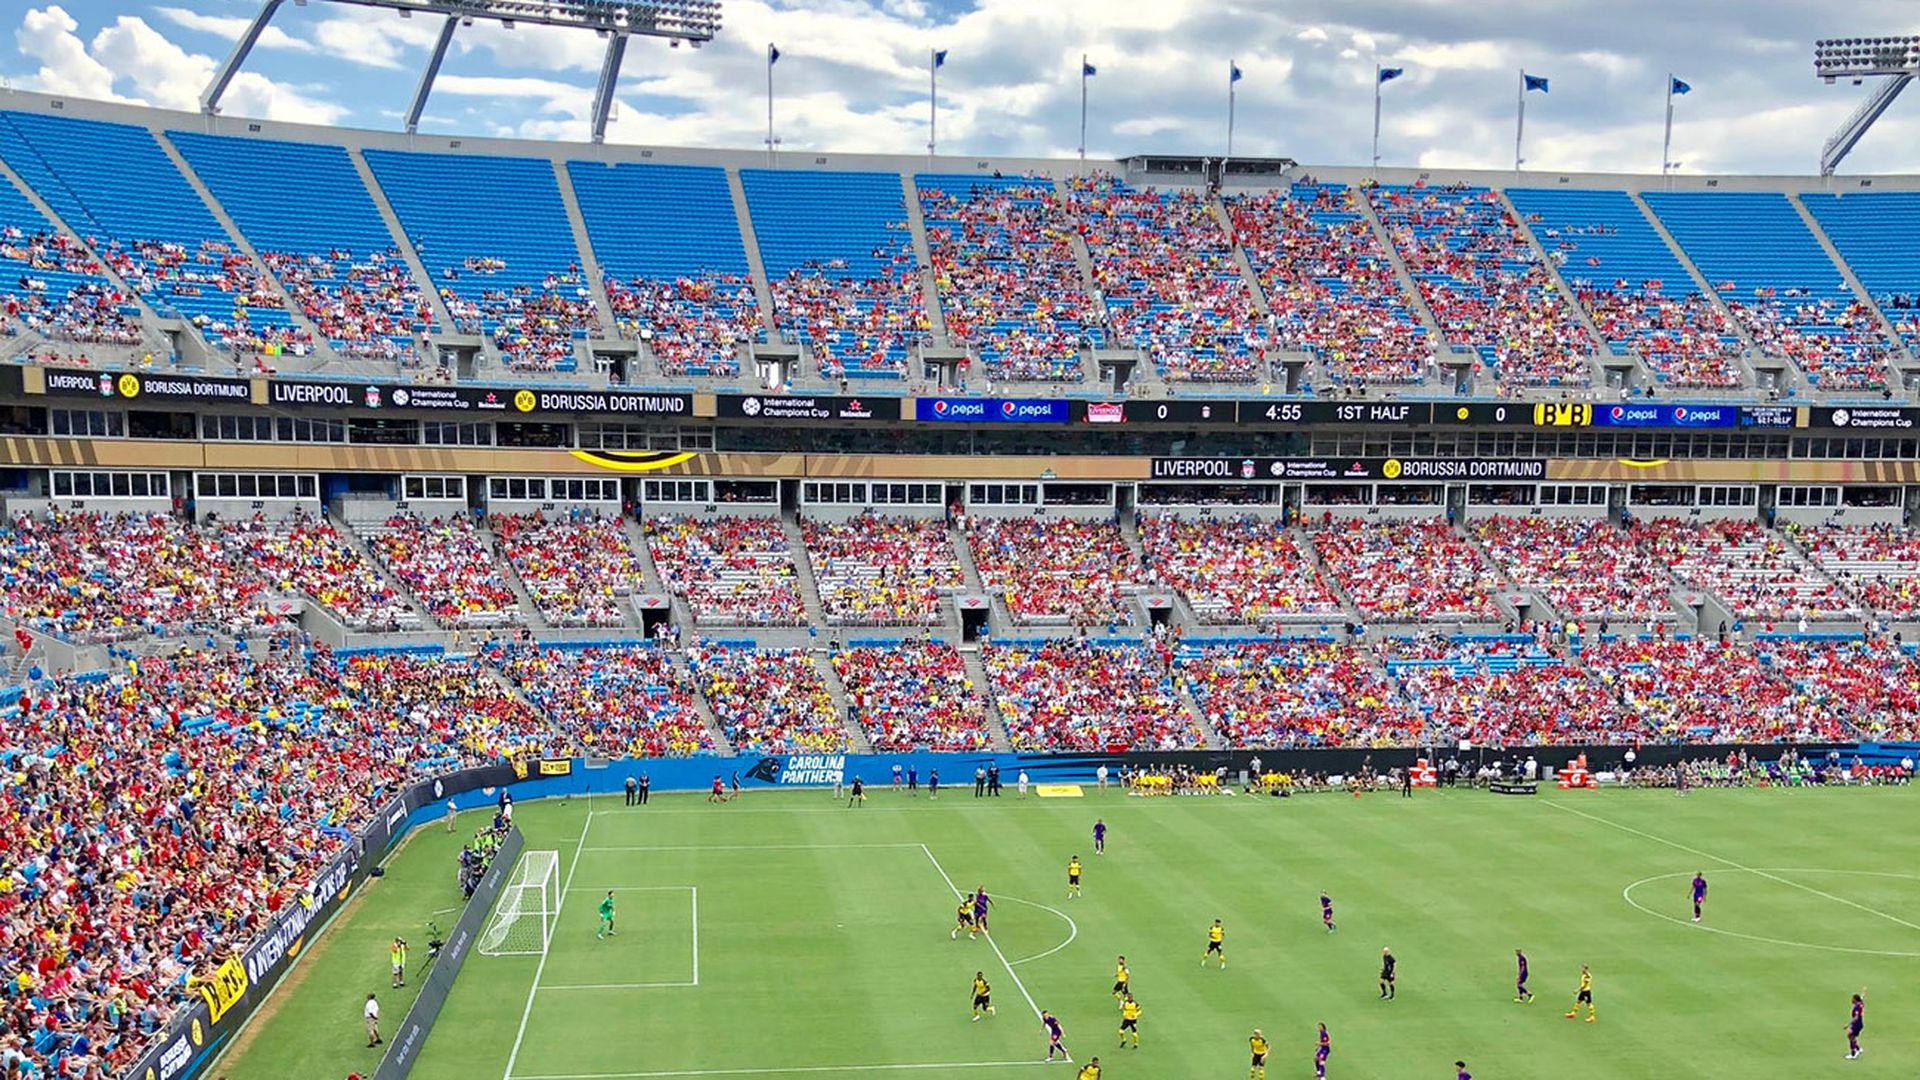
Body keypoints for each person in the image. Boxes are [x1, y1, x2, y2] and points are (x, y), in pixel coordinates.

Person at [1846, 991, 1864, 1059]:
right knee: (1851, 1036)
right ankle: (1858, 1049)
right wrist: (1863, 994)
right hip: (1860, 1023)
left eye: (1853, 999)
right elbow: (1861, 998)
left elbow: (1856, 1017)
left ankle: (1853, 1054)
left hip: (1857, 1024)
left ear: (1855, 1000)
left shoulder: (1856, 1007)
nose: (1851, 1000)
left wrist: (1848, 1024)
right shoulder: (1861, 1004)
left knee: (1850, 1036)